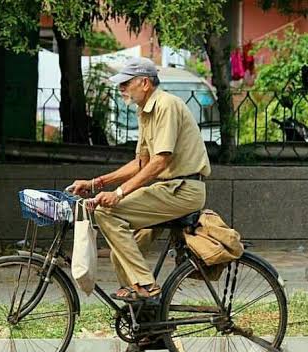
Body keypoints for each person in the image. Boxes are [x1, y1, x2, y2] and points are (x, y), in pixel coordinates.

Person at [69, 57, 211, 302]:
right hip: (168, 189)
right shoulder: (145, 111)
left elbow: (160, 161)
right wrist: (96, 183)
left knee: (106, 213)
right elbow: (141, 163)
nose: (121, 88)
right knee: (121, 253)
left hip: (182, 190)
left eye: (126, 83)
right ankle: (145, 325)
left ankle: (146, 285)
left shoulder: (165, 105)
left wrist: (119, 193)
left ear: (144, 83)